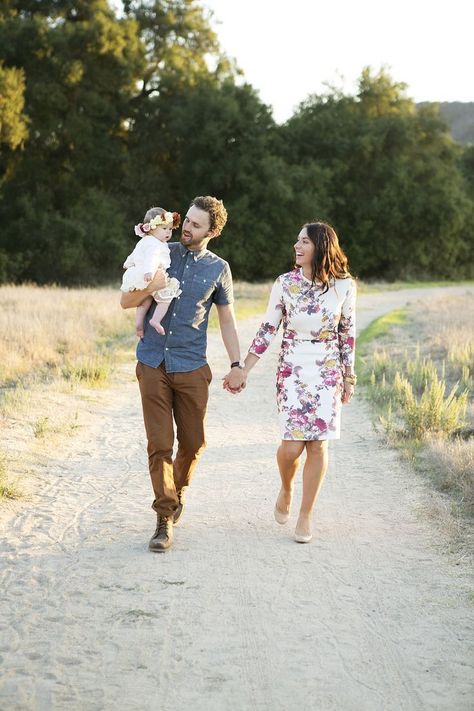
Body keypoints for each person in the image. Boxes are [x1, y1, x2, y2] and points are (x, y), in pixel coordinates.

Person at [120, 196, 245, 552]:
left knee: (193, 443)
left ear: (213, 231)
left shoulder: (219, 269)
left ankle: (178, 490)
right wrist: (152, 285)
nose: (185, 228)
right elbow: (126, 302)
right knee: (160, 444)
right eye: (186, 220)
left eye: (195, 224)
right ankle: (163, 518)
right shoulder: (158, 250)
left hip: (191, 366)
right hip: (152, 363)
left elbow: (227, 321)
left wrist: (237, 366)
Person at [224, 221, 356, 544]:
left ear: (321, 247)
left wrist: (349, 377)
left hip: (328, 371)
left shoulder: (345, 286)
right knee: (292, 447)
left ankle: (306, 513)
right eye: (296, 241)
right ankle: (286, 486)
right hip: (293, 368)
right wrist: (243, 368)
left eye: (304, 242)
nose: (296, 247)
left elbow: (347, 334)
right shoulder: (285, 284)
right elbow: (268, 329)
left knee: (318, 444)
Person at [121, 207, 182, 338]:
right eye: (164, 229)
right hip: (151, 275)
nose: (168, 232)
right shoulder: (155, 244)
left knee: (145, 301)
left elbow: (134, 254)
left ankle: (139, 324)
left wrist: (128, 264)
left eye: (170, 229)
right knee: (166, 297)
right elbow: (152, 258)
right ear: (151, 228)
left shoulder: (144, 241)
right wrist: (149, 272)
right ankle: (156, 320)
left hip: (136, 274)